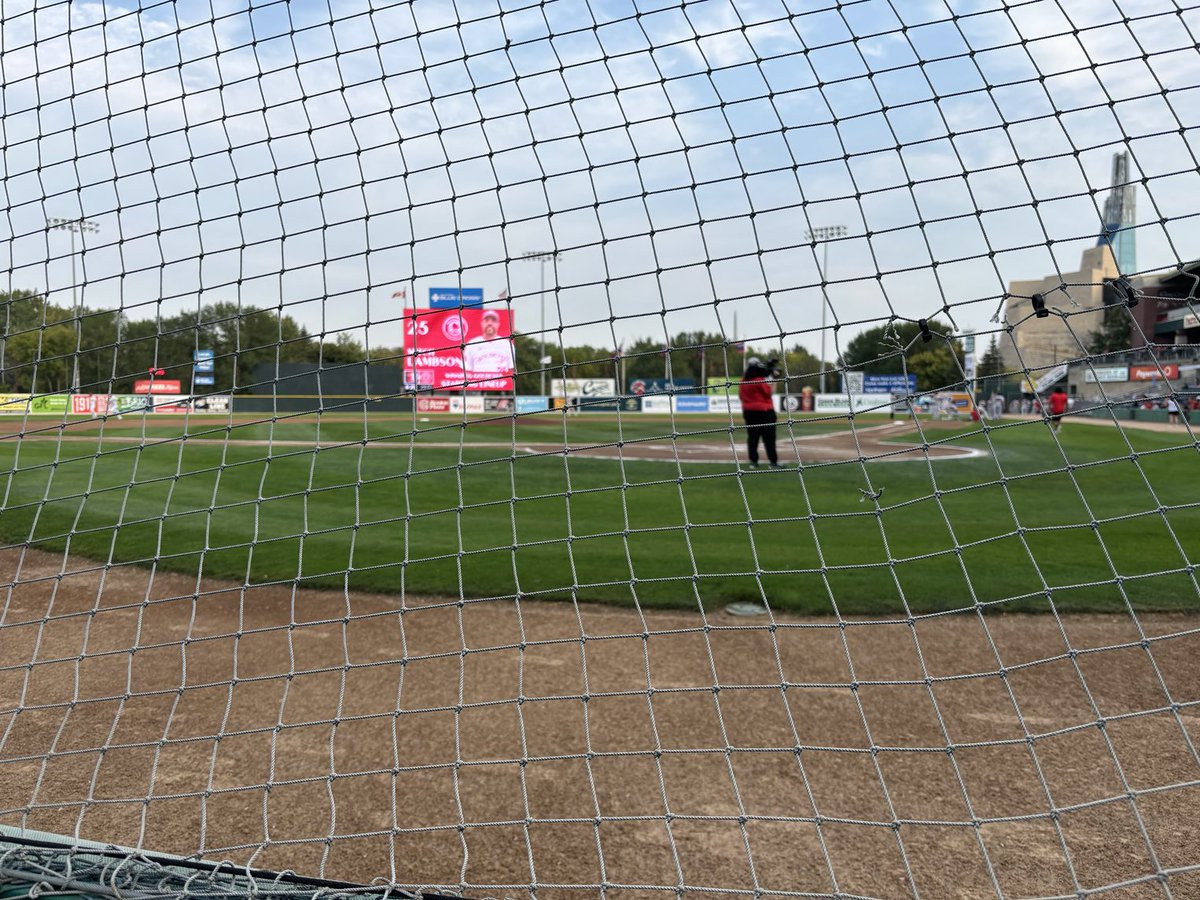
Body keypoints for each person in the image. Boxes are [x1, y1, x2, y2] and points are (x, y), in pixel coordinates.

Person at [738, 357, 780, 468]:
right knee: (769, 438)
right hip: (764, 411)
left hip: (749, 412)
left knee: (752, 438)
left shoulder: (743, 381)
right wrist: (774, 378)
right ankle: (773, 462)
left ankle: (753, 462)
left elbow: (741, 396)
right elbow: (769, 393)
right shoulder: (759, 380)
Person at [462, 310, 515, 381]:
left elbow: (511, 369)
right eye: (486, 320)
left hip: (501, 385)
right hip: (478, 385)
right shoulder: (471, 344)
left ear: (498, 324)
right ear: (481, 323)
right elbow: (467, 370)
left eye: (493, 321)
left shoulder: (507, 345)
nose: (490, 323)